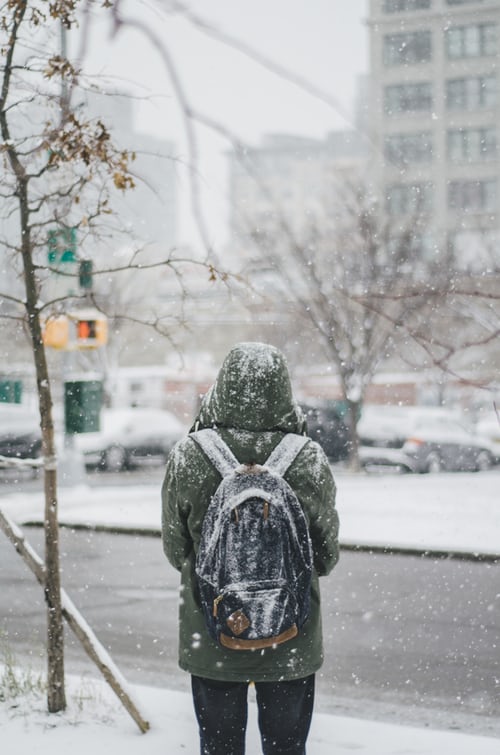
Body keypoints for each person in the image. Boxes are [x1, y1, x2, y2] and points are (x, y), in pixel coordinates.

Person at [161, 342, 339, 755]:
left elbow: (176, 550)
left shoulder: (190, 454)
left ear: (222, 386)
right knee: (287, 747)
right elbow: (325, 555)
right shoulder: (308, 457)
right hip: (292, 636)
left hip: (214, 633)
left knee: (219, 747)